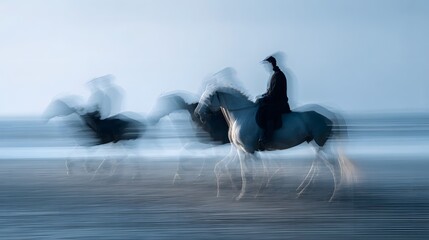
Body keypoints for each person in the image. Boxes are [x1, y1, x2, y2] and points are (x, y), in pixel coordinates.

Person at [256, 56, 291, 150]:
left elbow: (275, 92)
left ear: (272, 64)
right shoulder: (274, 75)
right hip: (274, 100)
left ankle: (268, 138)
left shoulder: (279, 75)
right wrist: (262, 97)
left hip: (280, 102)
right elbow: (270, 92)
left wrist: (265, 98)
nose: (266, 68)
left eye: (267, 65)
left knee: (269, 113)